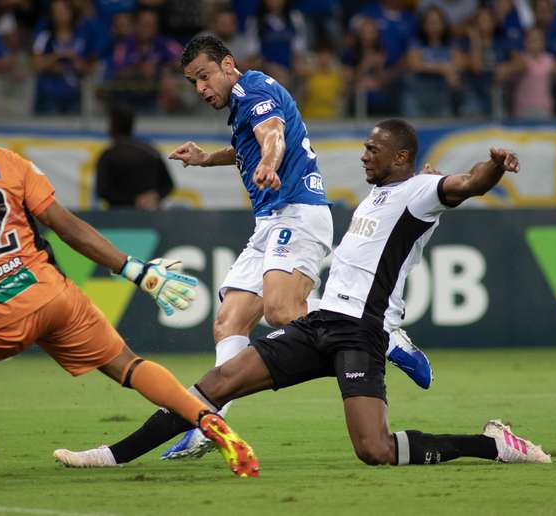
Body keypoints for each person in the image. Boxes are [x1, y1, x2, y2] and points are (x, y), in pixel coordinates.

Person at [53, 119, 552, 469]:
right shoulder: (378, 194)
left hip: (360, 332)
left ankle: (491, 444)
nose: (363, 155)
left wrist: (493, 167)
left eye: (373, 149)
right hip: (320, 325)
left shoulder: (421, 192)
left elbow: (466, 184)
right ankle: (114, 456)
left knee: (374, 450)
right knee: (219, 382)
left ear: (401, 156)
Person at [0, 74, 259, 478]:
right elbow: (68, 228)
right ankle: (207, 420)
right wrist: (137, 272)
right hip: (52, 297)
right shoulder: (9, 163)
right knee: (127, 365)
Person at [151, 35, 432, 461]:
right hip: (270, 221)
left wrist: (268, 162)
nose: (201, 88)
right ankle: (212, 424)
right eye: (193, 82)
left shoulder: (254, 89)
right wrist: (209, 158)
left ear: (228, 65)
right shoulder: (242, 104)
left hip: (295, 212)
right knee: (229, 322)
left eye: (204, 76)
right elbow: (250, 143)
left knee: (282, 310)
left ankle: (383, 334)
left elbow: (273, 135)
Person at [95, 103, 174, 209]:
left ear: (113, 125)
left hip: (119, 218)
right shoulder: (150, 151)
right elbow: (168, 185)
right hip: (150, 215)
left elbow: (103, 191)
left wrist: (135, 200)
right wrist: (154, 196)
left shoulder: (108, 156)